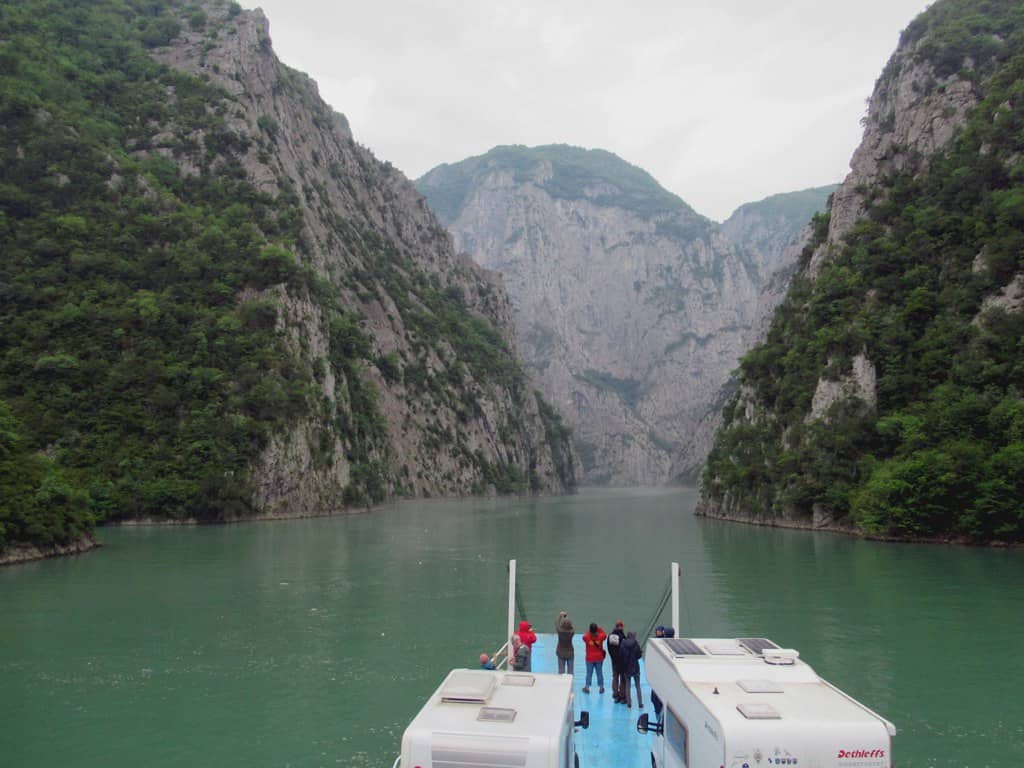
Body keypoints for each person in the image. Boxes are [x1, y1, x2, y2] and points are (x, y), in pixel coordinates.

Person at [619, 631, 644, 708]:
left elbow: (620, 655)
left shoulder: (623, 644)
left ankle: (629, 703)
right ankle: (640, 703)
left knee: (627, 686)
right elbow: (639, 656)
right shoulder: (636, 644)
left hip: (626, 668)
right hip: (635, 667)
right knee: (638, 686)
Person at [581, 622, 607, 693]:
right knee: (599, 673)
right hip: (599, 658)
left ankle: (587, 687)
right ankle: (601, 687)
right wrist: (598, 628)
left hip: (589, 658)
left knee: (589, 673)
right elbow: (604, 634)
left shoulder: (586, 637)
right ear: (596, 630)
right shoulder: (601, 637)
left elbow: (584, 636)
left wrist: (590, 631)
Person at [607, 620, 626, 702]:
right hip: (621, 661)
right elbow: (624, 648)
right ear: (621, 626)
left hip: (614, 661)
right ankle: (622, 695)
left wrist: (612, 657)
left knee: (615, 677)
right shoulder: (622, 637)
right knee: (622, 678)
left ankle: (615, 694)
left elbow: (609, 648)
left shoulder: (610, 636)